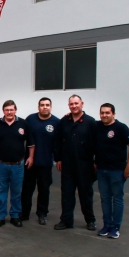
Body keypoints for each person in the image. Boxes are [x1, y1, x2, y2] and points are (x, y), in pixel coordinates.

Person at [0, 100, 35, 228]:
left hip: (18, 165)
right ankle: (1, 217)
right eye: (7, 110)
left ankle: (15, 216)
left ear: (15, 110)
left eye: (11, 109)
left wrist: (31, 157)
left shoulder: (23, 124)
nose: (9, 112)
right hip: (2, 165)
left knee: (16, 192)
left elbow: (31, 143)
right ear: (3, 111)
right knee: (1, 191)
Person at [53, 94, 97, 231]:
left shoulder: (90, 122)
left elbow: (97, 144)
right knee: (66, 194)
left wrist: (96, 162)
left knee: (86, 194)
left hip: (85, 165)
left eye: (76, 103)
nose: (74, 106)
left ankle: (90, 220)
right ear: (69, 106)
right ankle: (66, 220)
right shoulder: (64, 121)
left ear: (82, 104)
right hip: (67, 165)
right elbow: (57, 141)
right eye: (71, 104)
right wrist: (58, 159)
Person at [95, 103, 129, 239]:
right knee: (105, 199)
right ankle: (107, 225)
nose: (104, 115)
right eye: (102, 113)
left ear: (113, 114)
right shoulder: (97, 126)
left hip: (117, 171)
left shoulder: (121, 127)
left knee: (117, 199)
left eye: (107, 113)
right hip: (102, 170)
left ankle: (115, 227)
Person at [21, 97, 60, 225]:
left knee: (44, 190)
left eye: (47, 105)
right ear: (38, 107)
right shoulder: (30, 119)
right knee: (27, 189)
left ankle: (42, 214)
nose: (45, 107)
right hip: (30, 163)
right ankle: (24, 213)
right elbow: (21, 136)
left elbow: (58, 144)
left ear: (51, 107)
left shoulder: (56, 122)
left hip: (46, 163)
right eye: (42, 105)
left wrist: (58, 159)